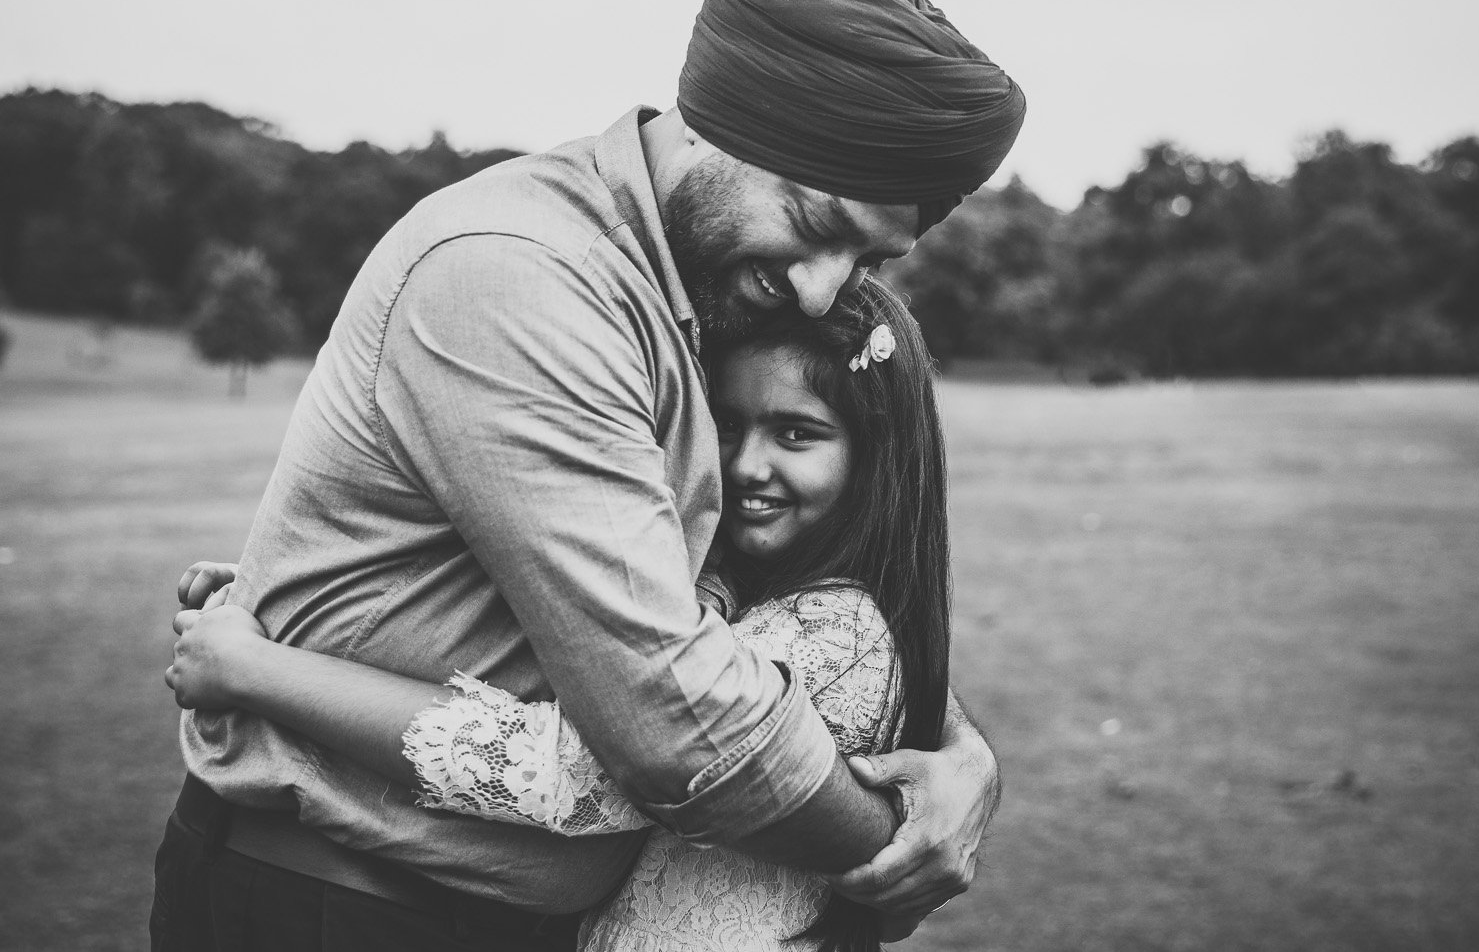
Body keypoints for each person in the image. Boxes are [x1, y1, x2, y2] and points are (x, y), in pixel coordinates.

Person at [152, 0, 1025, 952]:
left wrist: (959, 750)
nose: (826, 295)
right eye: (817, 225)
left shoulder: (693, 299)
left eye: (867, 261)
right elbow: (678, 721)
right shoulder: (525, 278)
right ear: (714, 127)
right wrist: (894, 847)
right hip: (344, 908)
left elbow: (767, 606)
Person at [169, 279, 953, 951]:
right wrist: (302, 604)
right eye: (727, 423)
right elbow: (562, 615)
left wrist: (257, 666)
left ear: (874, 455)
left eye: (796, 433)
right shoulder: (752, 591)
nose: (747, 464)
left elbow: (572, 773)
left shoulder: (833, 628)